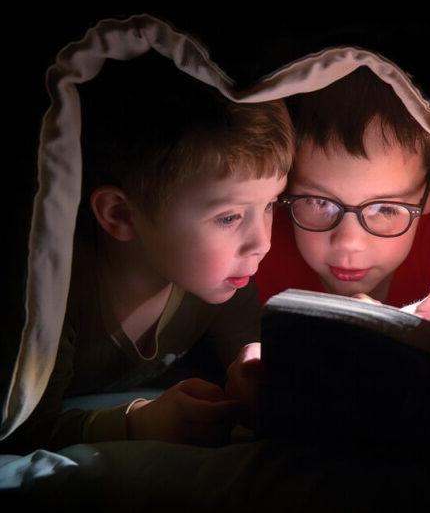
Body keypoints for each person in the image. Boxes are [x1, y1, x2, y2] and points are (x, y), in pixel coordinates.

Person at [0, 52, 294, 453]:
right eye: (228, 218)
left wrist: (255, 375)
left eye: (269, 206)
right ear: (120, 215)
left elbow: (247, 357)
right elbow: (20, 428)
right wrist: (138, 423)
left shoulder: (226, 278)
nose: (262, 242)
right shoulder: (58, 288)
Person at [254, 66, 430, 307]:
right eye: (321, 202)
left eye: (385, 209)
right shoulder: (260, 239)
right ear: (285, 185)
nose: (349, 242)